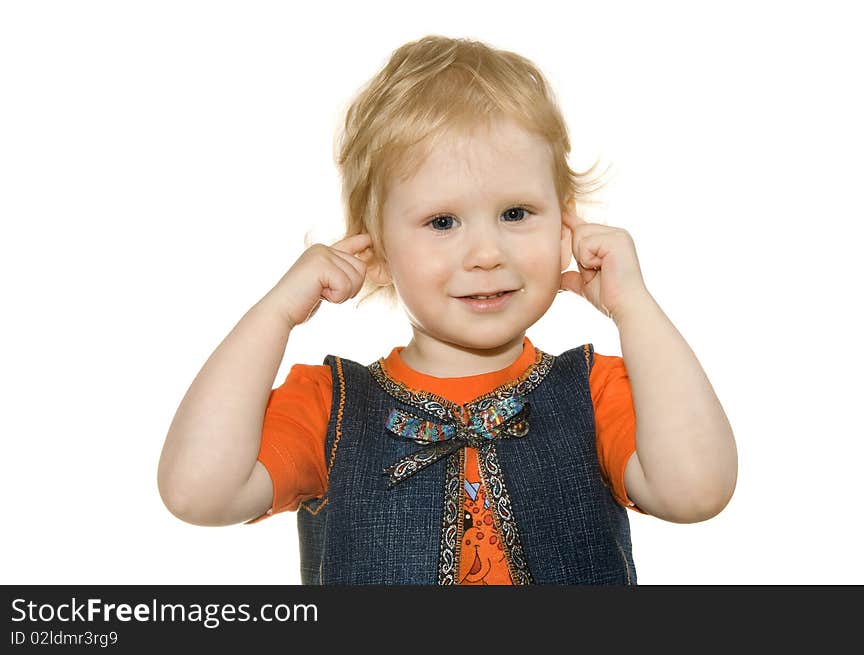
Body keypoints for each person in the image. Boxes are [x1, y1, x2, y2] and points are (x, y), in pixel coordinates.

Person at [158, 35, 738, 585]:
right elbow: (198, 492)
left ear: (567, 222)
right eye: (442, 222)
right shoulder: (330, 407)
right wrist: (274, 314)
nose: (486, 254)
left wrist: (633, 306)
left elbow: (696, 491)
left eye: (516, 213)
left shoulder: (592, 391)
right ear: (377, 252)